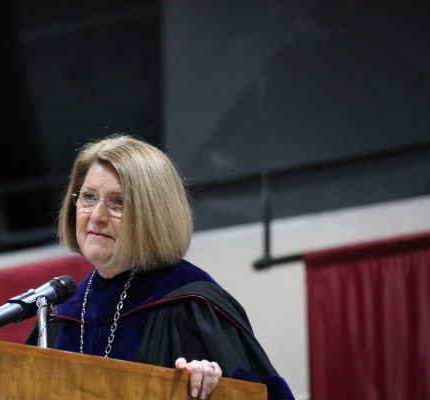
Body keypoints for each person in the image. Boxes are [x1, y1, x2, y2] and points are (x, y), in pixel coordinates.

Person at [26, 134, 293, 399]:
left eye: (118, 201)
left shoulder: (191, 307)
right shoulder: (59, 316)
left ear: (153, 215)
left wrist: (213, 389)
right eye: (89, 197)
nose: (97, 216)